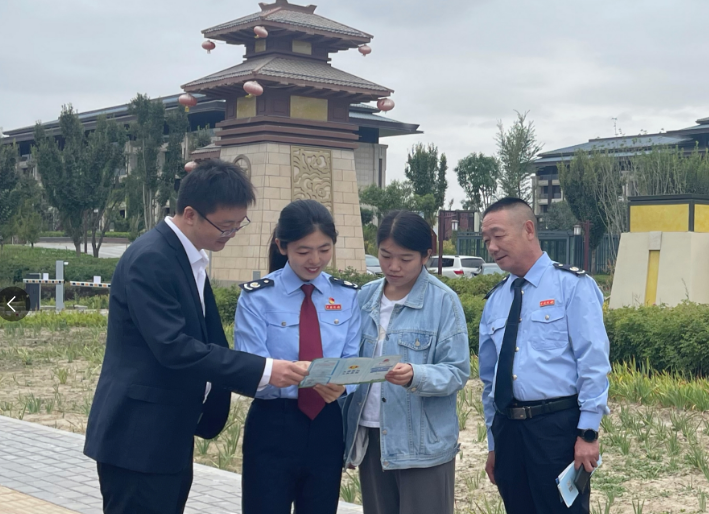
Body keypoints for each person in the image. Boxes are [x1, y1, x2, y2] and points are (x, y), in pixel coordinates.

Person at [84, 160, 308, 514]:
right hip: (138, 440)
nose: (231, 234)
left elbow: (207, 338)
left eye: (239, 225)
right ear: (190, 214)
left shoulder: (189, 258)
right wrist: (265, 370)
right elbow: (174, 347)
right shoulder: (151, 259)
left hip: (168, 434)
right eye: (225, 226)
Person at [478, 197, 611, 514]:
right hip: (508, 431)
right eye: (486, 240)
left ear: (528, 229)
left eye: (498, 236)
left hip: (556, 430)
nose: (492, 247)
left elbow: (592, 363)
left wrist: (588, 433)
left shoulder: (572, 286)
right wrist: (494, 443)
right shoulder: (495, 299)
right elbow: (489, 380)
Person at [234, 199, 361, 514]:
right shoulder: (257, 297)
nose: (315, 260)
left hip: (326, 422)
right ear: (282, 246)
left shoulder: (346, 295)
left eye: (324, 249)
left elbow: (353, 358)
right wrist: (287, 372)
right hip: (273, 422)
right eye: (304, 251)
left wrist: (344, 384)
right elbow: (250, 365)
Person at [344, 210, 470, 514]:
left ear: (426, 256)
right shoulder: (364, 298)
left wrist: (416, 375)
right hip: (373, 435)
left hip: (422, 444)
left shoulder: (443, 301)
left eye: (405, 258)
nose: (394, 266)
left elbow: (457, 371)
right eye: (386, 256)